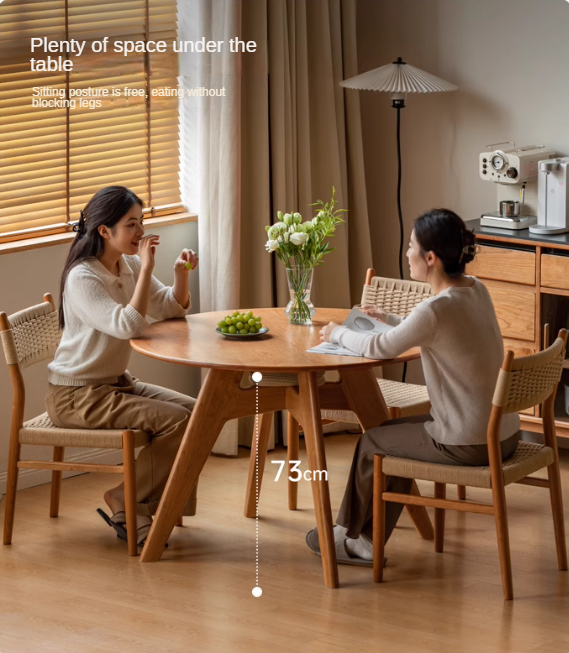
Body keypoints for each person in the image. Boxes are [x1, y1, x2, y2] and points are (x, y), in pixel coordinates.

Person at [306, 208, 521, 565]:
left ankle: (348, 537)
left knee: (373, 441)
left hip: (467, 442)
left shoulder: (435, 310)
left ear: (431, 258)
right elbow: (434, 329)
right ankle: (362, 540)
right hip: (504, 434)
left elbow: (381, 347)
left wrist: (337, 332)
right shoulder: (475, 290)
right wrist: (388, 318)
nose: (407, 253)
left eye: (411, 246)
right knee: (391, 440)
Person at [45, 186, 199, 547]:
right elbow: (129, 324)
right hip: (76, 396)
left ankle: (142, 502)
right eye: (132, 224)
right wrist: (146, 267)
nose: (141, 232)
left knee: (198, 412)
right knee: (177, 421)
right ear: (104, 230)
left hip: (113, 384)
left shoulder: (127, 263)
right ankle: (128, 501)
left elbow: (169, 308)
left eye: (141, 222)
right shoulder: (83, 278)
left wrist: (180, 274)